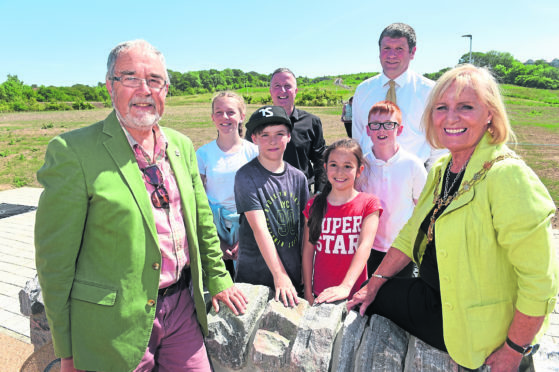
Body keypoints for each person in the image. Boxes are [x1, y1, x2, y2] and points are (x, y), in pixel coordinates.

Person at [34, 40, 247, 372]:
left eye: (156, 81)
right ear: (110, 86)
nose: (145, 90)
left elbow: (201, 219)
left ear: (166, 89)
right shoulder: (72, 152)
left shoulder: (181, 145)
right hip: (113, 325)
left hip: (181, 309)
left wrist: (219, 277)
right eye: (130, 77)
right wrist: (68, 351)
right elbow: (55, 263)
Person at [347, 64, 558, 371]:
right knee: (368, 301)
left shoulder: (507, 176)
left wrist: (514, 349)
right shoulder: (443, 168)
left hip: (477, 323)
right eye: (441, 107)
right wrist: (375, 281)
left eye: (466, 107)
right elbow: (410, 234)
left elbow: (540, 280)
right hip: (435, 297)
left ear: (490, 114)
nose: (450, 117)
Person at [235, 105, 309, 308]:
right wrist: (280, 275)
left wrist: (303, 271)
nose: (273, 141)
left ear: (289, 136)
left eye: (279, 134)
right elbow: (260, 229)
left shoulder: (299, 178)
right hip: (256, 274)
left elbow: (304, 230)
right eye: (265, 135)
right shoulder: (246, 176)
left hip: (291, 274)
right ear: (254, 138)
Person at [352, 23, 445, 168]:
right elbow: (357, 139)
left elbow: (439, 145)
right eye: (386, 48)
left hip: (414, 180)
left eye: (399, 49)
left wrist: (431, 184)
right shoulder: (363, 90)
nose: (391, 55)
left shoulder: (430, 91)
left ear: (412, 52)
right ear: (379, 51)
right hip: (370, 178)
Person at [302, 139, 381, 306]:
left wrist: (346, 286)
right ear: (325, 168)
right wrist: (308, 292)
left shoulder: (369, 203)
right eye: (333, 165)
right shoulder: (314, 204)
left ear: (359, 171)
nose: (340, 172)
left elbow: (365, 246)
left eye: (347, 166)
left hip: (354, 295)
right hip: (321, 294)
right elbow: (308, 250)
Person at [358, 100, 426, 277]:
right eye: (375, 125)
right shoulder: (361, 166)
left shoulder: (413, 165)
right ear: (368, 130)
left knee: (399, 299)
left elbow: (422, 209)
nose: (382, 130)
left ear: (400, 129)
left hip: (401, 249)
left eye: (389, 124)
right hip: (368, 247)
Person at [196, 91, 258, 277]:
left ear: (242, 116)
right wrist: (216, 241)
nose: (225, 117)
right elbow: (198, 200)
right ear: (212, 117)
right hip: (215, 228)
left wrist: (245, 238)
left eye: (231, 112)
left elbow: (261, 198)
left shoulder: (254, 152)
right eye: (219, 112)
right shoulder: (203, 154)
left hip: (249, 226)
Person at [265, 67, 326, 192]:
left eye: (287, 86)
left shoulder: (311, 122)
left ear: (296, 91)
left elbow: (321, 160)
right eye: (277, 86)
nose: (282, 91)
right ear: (271, 91)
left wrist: (320, 192)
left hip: (302, 193)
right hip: (267, 193)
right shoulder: (259, 123)